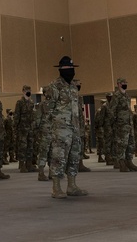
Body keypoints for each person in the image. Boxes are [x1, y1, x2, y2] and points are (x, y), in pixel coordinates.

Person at [41, 56, 86, 198]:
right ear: (60, 70)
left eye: (72, 69)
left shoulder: (73, 86)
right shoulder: (53, 87)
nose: (70, 71)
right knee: (58, 158)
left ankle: (72, 185)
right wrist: (51, 130)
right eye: (67, 69)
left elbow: (77, 109)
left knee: (74, 156)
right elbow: (47, 110)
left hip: (74, 128)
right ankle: (56, 188)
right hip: (61, 129)